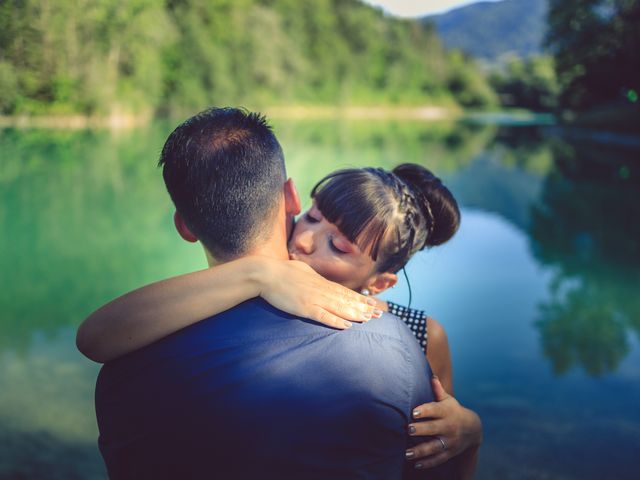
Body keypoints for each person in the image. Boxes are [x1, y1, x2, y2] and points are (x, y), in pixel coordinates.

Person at [82, 107, 481, 478]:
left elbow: (438, 442)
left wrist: (470, 431)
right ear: (294, 200)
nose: (306, 240)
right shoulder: (247, 287)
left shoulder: (417, 336)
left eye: (339, 247)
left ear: (379, 283)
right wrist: (260, 272)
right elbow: (95, 336)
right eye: (312, 217)